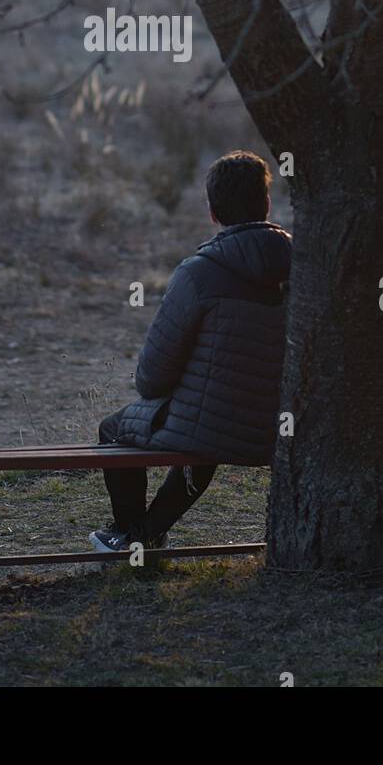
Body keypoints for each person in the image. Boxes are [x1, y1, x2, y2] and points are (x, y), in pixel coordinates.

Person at [90, 150, 292, 553]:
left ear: (213, 212)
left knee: (115, 431)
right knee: (206, 429)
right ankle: (145, 533)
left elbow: (152, 378)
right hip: (283, 426)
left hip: (217, 428)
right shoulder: (306, 265)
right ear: (267, 203)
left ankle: (135, 535)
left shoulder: (197, 273)